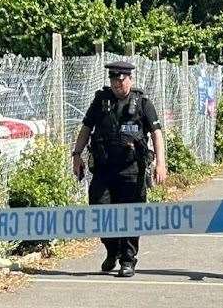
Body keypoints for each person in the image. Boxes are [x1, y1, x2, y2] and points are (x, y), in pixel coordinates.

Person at [71, 60, 167, 278]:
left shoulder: (142, 103)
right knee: (100, 212)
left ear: (129, 80)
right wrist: (76, 155)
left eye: (120, 80)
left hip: (132, 169)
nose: (116, 84)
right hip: (104, 170)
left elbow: (156, 133)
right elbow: (86, 127)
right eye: (113, 80)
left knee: (132, 216)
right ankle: (112, 249)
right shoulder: (100, 101)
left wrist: (161, 163)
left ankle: (127, 259)